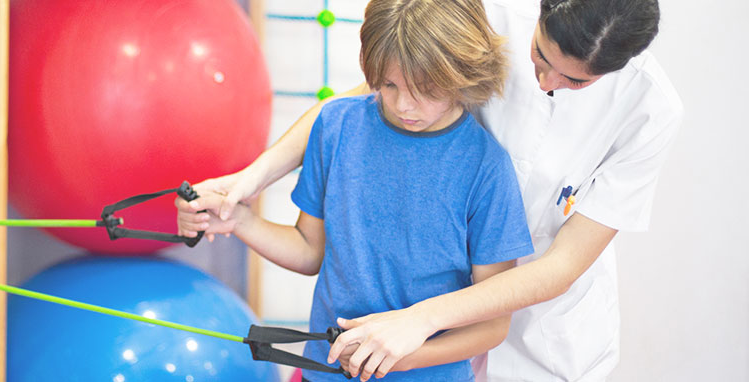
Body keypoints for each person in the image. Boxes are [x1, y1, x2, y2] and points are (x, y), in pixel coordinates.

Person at [177, 0, 682, 380]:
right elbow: (366, 98)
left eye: (574, 81)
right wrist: (249, 186)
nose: (546, 80)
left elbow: (560, 268)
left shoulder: (646, 112)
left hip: (542, 328)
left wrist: (410, 333)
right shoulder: (485, 19)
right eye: (539, 55)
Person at [189, 0, 534, 380]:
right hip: (324, 369)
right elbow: (308, 250)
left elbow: (491, 326)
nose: (404, 105)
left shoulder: (486, 168)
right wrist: (241, 221)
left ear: (462, 74)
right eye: (389, 84)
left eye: (427, 89)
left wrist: (401, 358)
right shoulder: (337, 127)